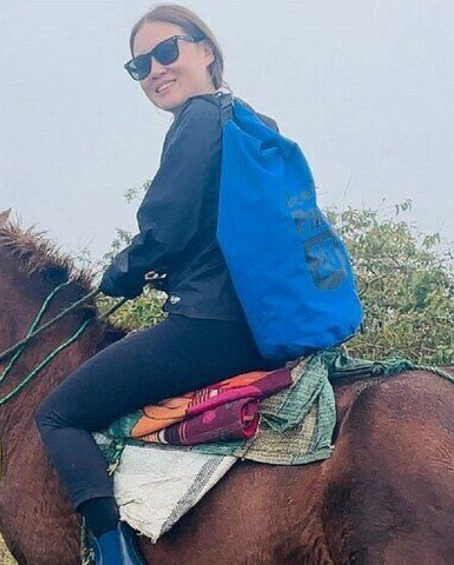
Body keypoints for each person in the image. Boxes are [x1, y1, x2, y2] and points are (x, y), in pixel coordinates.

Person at [35, 5, 281, 564]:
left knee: (58, 414)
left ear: (205, 51)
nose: (154, 70)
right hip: (264, 325)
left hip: (209, 328)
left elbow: (165, 226)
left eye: (166, 51)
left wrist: (121, 273)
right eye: (139, 65)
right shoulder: (253, 124)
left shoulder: (198, 118)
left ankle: (115, 553)